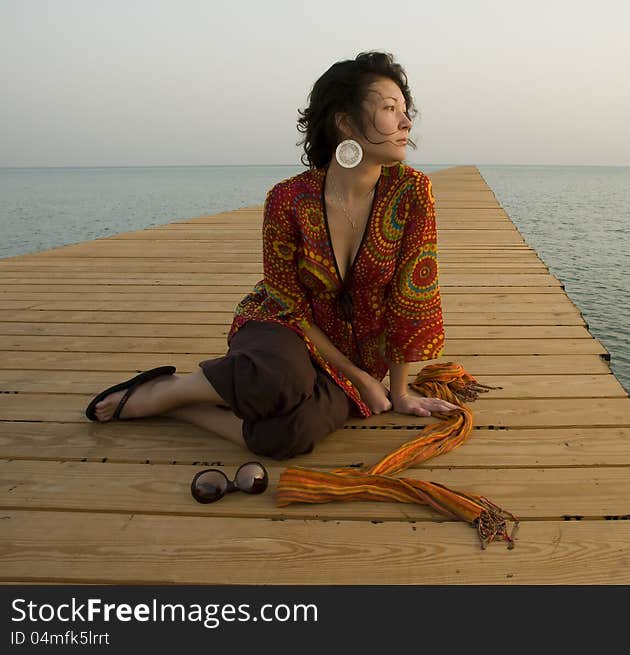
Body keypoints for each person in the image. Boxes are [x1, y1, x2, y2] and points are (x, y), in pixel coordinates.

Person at [86, 51, 458, 459]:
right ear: (345, 121)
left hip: (354, 351)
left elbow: (412, 300)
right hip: (283, 326)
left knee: (293, 434)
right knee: (279, 379)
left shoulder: (412, 193)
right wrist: (360, 379)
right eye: (390, 109)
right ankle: (169, 388)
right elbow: (288, 305)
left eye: (406, 110)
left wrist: (399, 392)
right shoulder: (287, 200)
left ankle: (182, 407)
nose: (407, 122)